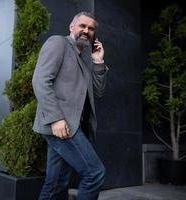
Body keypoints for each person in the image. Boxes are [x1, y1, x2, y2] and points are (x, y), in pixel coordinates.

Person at [32, 11, 109, 200]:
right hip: (61, 125)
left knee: (56, 183)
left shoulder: (85, 59)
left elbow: (98, 92)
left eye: (91, 28)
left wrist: (98, 62)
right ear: (71, 27)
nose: (86, 31)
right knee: (95, 173)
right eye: (82, 26)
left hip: (73, 125)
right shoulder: (59, 43)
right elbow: (40, 80)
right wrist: (56, 118)